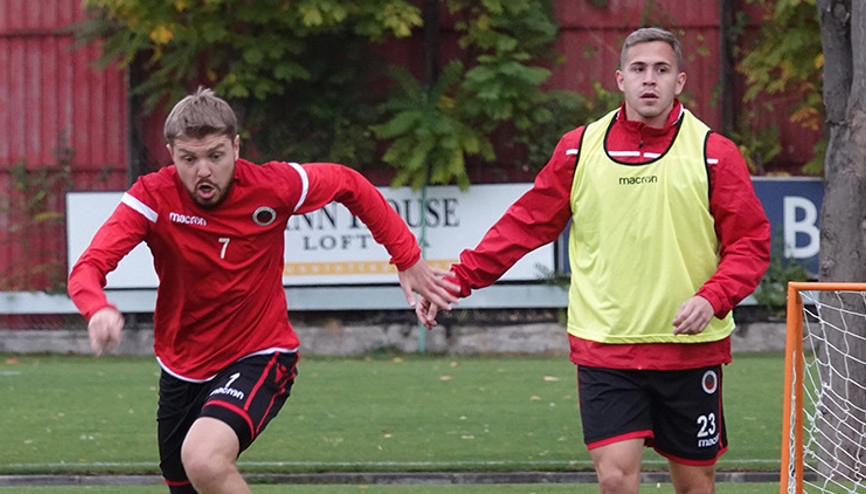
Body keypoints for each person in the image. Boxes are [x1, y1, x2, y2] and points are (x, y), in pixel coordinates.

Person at [416, 27, 770, 493]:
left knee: (695, 487)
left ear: (680, 81)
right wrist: (457, 281)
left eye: (661, 70)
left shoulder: (714, 153)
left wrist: (712, 297)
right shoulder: (578, 149)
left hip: (689, 350)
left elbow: (750, 244)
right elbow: (525, 224)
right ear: (620, 79)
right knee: (615, 480)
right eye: (639, 69)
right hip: (606, 347)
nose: (650, 80)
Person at [68, 87, 458, 494]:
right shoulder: (151, 197)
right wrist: (97, 308)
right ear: (171, 154)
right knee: (187, 482)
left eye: (215, 156)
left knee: (203, 458)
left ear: (236, 148)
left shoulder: (274, 185)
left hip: (259, 355)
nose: (203, 170)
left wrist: (407, 257)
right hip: (181, 368)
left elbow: (349, 184)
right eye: (189, 159)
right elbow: (88, 267)